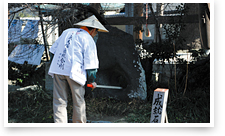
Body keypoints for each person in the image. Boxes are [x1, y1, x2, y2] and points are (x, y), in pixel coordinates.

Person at [48, 15, 109, 123]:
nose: (95, 34)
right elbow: (91, 64)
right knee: (78, 101)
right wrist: (91, 81)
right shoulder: (87, 38)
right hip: (75, 73)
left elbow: (52, 51)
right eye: (96, 32)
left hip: (58, 69)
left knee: (59, 101)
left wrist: (55, 65)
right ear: (93, 30)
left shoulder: (67, 32)